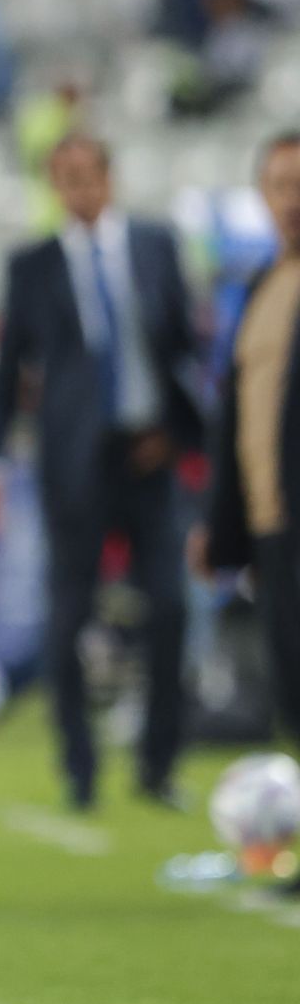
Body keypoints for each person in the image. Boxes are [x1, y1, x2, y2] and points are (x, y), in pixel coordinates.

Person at [0, 134, 205, 811]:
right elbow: (5, 372)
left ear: (109, 178)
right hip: (73, 466)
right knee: (69, 615)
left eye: (86, 176)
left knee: (169, 606)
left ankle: (159, 765)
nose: (77, 190)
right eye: (64, 179)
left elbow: (186, 351)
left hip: (149, 456)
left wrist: (181, 431)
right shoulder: (33, 266)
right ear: (54, 186)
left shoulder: (155, 246)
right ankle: (80, 767)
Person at [195, 131, 300, 741]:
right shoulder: (262, 286)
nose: (293, 200)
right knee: (291, 697)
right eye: (281, 186)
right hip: (273, 528)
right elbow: (239, 420)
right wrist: (222, 525)